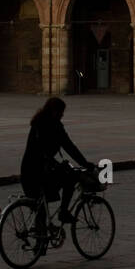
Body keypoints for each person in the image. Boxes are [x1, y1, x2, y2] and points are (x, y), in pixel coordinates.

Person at [21, 96, 92, 234]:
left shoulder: (38, 122)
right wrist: (85, 164)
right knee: (70, 177)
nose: (62, 115)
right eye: (61, 112)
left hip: (28, 171)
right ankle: (63, 213)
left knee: (41, 205)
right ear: (54, 111)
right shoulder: (53, 125)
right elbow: (69, 146)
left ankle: (39, 245)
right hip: (40, 170)